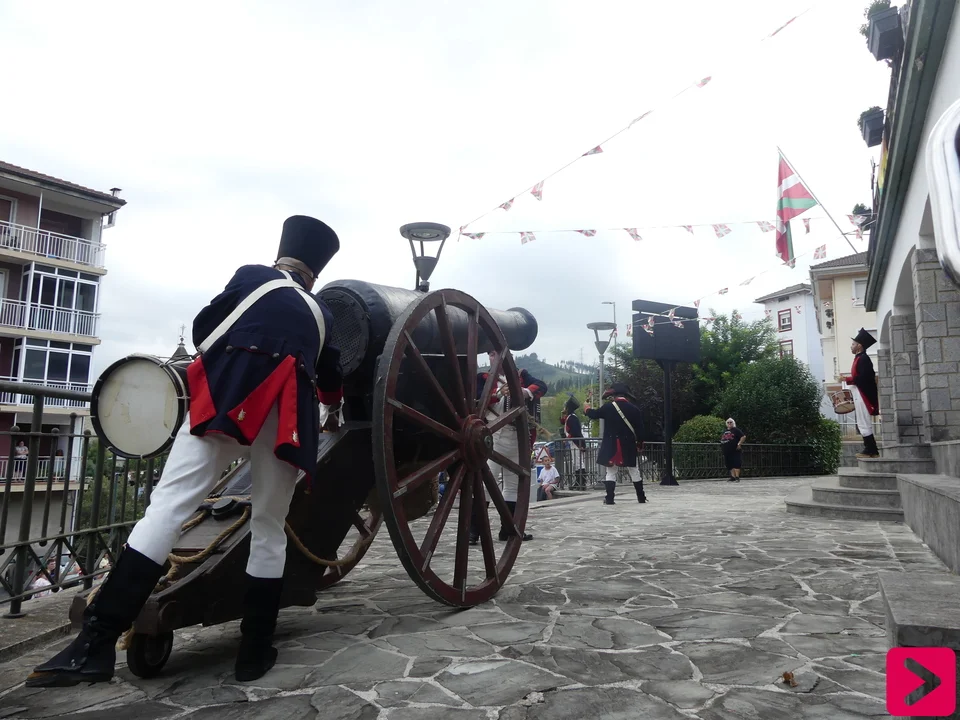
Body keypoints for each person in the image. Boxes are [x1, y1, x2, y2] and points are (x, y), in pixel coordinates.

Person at [26, 215, 344, 688]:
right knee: (269, 526)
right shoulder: (321, 313)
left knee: (168, 508)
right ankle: (253, 652)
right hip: (286, 414)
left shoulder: (251, 277)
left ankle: (95, 644)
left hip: (229, 397)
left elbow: (204, 328)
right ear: (314, 274)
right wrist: (333, 404)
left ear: (281, 257)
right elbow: (331, 379)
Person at [473, 354, 546, 542]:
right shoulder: (483, 378)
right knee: (485, 484)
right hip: (493, 436)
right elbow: (477, 399)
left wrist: (524, 392)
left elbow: (541, 386)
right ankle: (474, 531)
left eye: (497, 353)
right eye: (492, 354)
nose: (495, 357)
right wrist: (498, 394)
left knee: (512, 486)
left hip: (516, 437)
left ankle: (508, 529)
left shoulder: (521, 375)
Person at [584, 382, 646, 505]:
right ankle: (641, 497)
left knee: (611, 472)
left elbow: (594, 414)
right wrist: (640, 444)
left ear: (614, 395)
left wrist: (586, 408)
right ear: (626, 395)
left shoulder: (608, 407)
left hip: (611, 444)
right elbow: (640, 430)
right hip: (628, 444)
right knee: (634, 470)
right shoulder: (634, 409)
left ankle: (610, 498)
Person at [847, 328, 880, 458]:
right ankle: (870, 449)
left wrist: (847, 379)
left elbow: (864, 378)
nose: (851, 346)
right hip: (860, 392)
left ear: (859, 346)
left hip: (863, 394)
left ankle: (871, 449)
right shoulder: (860, 358)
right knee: (862, 421)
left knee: (864, 421)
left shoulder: (863, 359)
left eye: (853, 344)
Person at [560, 395, 586, 489]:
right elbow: (563, 422)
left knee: (579, 462)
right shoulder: (570, 417)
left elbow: (575, 432)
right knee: (576, 462)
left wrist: (567, 438)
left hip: (576, 442)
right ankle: (578, 483)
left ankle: (581, 483)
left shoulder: (572, 418)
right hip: (573, 442)